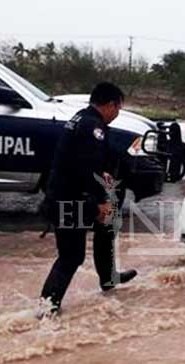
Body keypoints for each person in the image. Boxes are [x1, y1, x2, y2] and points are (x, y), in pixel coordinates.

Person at [39, 82, 137, 318]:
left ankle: (108, 279)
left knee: (106, 229)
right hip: (71, 198)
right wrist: (100, 201)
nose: (117, 114)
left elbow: (82, 160)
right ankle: (46, 309)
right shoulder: (94, 127)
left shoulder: (81, 118)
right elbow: (88, 168)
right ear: (112, 105)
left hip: (66, 193)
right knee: (71, 256)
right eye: (118, 108)